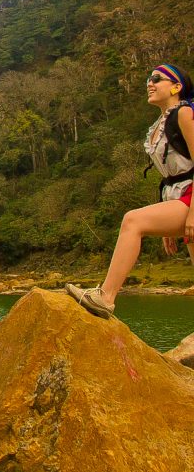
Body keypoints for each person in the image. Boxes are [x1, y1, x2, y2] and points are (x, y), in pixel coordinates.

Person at [66, 63, 194, 318]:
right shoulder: (162, 121)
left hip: (190, 197)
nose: (150, 83)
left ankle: (105, 297)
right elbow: (172, 177)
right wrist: (169, 224)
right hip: (180, 196)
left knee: (132, 220)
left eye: (157, 79)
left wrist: (190, 214)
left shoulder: (184, 114)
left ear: (176, 87)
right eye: (149, 78)